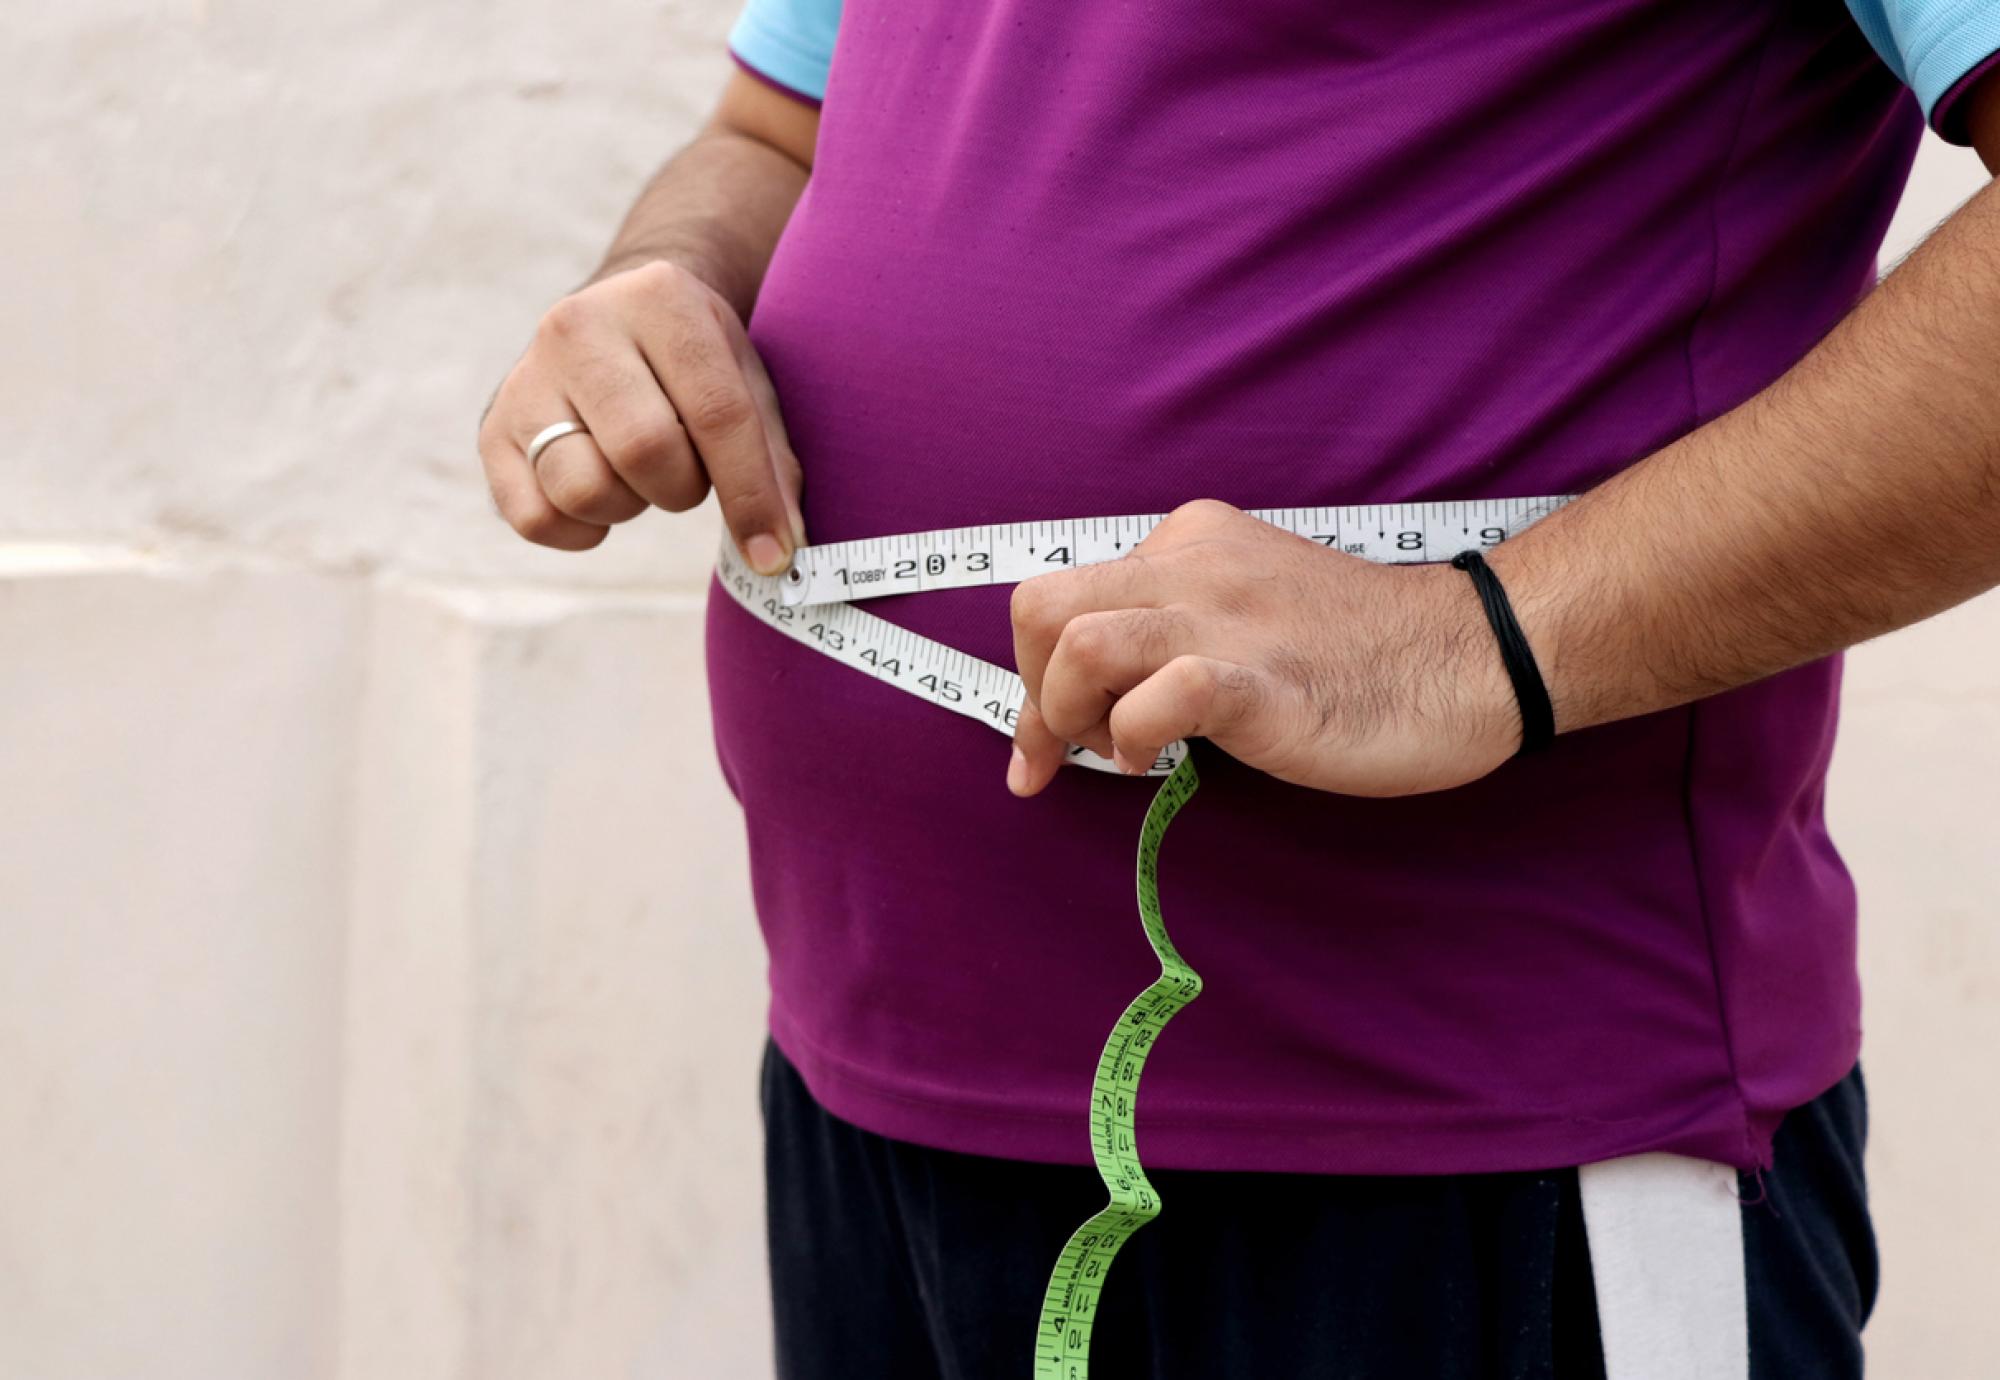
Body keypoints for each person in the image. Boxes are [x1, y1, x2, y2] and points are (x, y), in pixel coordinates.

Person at [477, 1, 2000, 1374]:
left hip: (1461, 1147)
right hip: (863, 1093)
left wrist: (1476, 637)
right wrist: (663, 280)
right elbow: (771, 132)